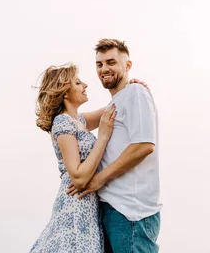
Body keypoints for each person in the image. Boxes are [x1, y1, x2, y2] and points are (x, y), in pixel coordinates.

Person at [30, 63, 147, 253]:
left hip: (88, 207)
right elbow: (79, 176)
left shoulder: (79, 120)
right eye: (77, 82)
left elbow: (115, 106)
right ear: (65, 92)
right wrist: (102, 137)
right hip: (75, 206)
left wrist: (130, 88)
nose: (85, 85)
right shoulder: (62, 122)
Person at [68, 39, 162, 253]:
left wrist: (98, 179)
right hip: (112, 209)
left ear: (127, 65)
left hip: (130, 213)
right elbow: (74, 121)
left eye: (111, 62)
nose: (104, 69)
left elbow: (144, 145)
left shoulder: (136, 93)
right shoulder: (117, 101)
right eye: (99, 64)